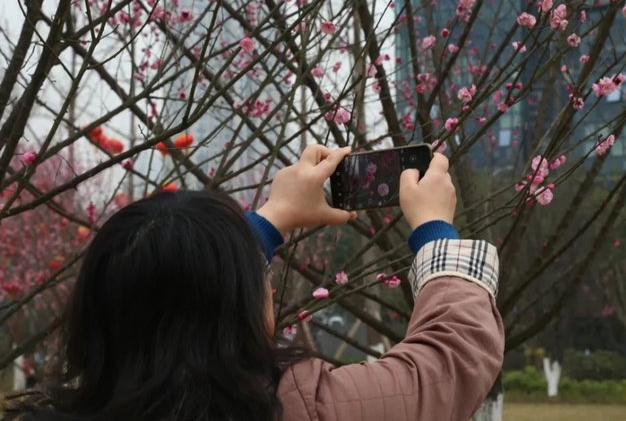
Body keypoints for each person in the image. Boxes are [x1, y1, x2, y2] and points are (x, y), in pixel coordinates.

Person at [2, 145, 503, 420]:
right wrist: (436, 229)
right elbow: (449, 362)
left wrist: (274, 216)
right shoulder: (302, 408)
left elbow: (176, 286)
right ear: (241, 308)